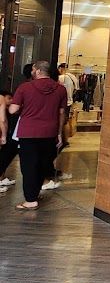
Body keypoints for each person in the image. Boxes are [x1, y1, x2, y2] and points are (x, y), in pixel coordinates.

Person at [10, 61, 67, 210]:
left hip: (28, 132)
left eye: (33, 69)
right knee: (43, 164)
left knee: (29, 166)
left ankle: (30, 200)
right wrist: (59, 132)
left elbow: (12, 110)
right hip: (50, 132)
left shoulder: (25, 88)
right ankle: (34, 194)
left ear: (37, 71)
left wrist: (23, 108)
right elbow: (61, 113)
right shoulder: (61, 90)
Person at [0, 89, 20, 190]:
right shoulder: (1, 100)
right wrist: (4, 136)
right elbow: (2, 120)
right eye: (9, 98)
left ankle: (1, 177)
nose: (11, 101)